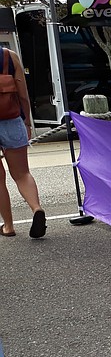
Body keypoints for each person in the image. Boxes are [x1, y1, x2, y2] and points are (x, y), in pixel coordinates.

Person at [0, 45, 46, 238]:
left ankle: (8, 226)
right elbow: (23, 94)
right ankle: (36, 209)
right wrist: (26, 121)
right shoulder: (8, 56)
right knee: (22, 173)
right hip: (11, 119)